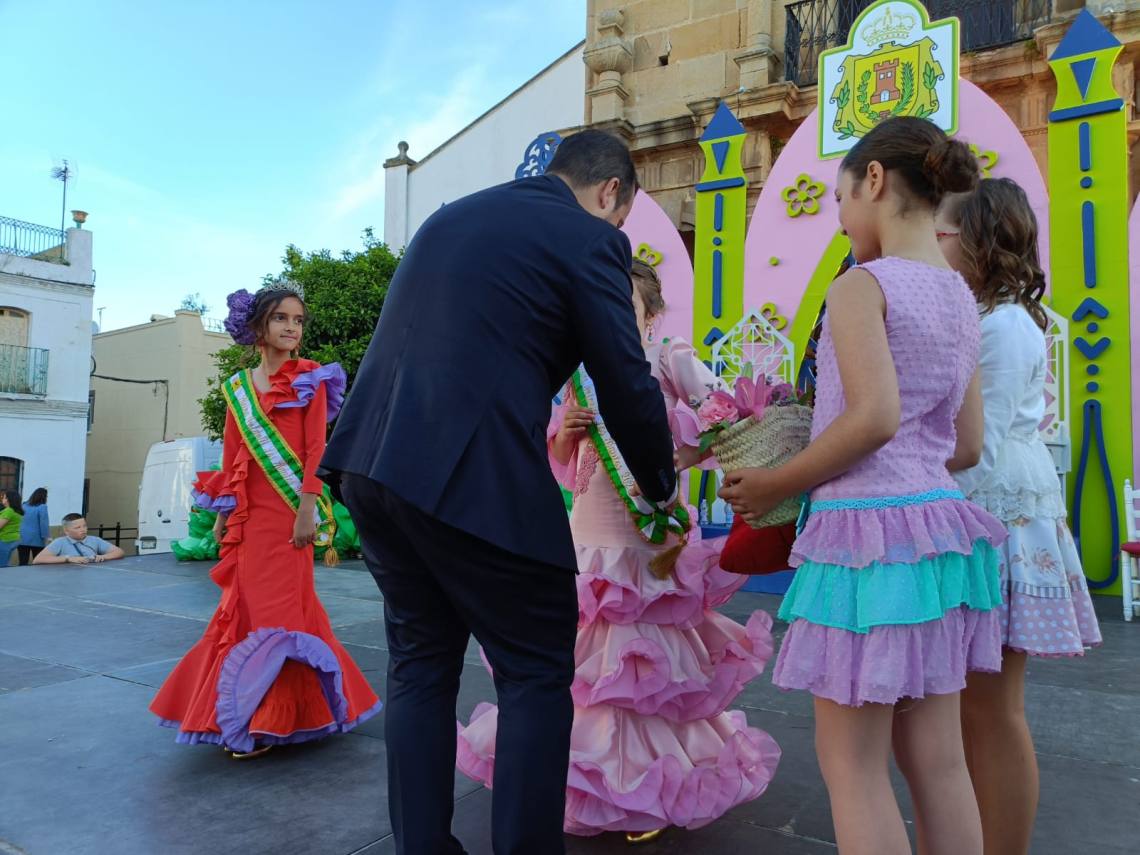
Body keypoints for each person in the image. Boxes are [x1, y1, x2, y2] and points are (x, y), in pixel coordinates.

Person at [321, 130, 678, 855]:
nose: (617, 229)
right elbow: (625, 379)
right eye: (621, 216)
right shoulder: (590, 240)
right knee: (536, 672)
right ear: (611, 191)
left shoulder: (453, 217)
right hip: (471, 473)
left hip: (370, 465)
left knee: (419, 666)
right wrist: (661, 486)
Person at [719, 116, 1007, 855]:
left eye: (841, 199)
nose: (842, 219)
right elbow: (967, 444)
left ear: (873, 180)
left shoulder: (860, 286)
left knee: (852, 765)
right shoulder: (959, 297)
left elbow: (874, 417)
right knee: (939, 761)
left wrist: (775, 482)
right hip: (939, 535)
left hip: (863, 539)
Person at [456, 260, 781, 843]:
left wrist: (684, 452)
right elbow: (562, 463)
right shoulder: (576, 370)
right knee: (582, 658)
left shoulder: (668, 357)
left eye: (624, 305)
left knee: (646, 666)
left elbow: (723, 417)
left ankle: (647, 786)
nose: (608, 315)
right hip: (589, 528)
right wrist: (566, 434)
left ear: (651, 315)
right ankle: (579, 777)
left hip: (648, 533)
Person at [935, 178, 1102, 855]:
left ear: (977, 239)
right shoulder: (996, 317)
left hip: (995, 515)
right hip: (992, 510)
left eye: (944, 233)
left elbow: (982, 441)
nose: (934, 244)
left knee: (992, 707)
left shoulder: (1003, 325)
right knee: (976, 707)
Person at [149, 278, 380, 759]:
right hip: (250, 517)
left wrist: (306, 509)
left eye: (298, 320)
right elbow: (235, 454)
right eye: (281, 318)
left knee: (282, 614)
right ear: (258, 327)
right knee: (246, 613)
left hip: (289, 515)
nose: (292, 327)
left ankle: (265, 720)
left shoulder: (310, 379)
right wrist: (224, 514)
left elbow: (315, 449)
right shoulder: (237, 389)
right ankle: (243, 713)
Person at [34, 513, 125, 565]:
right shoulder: (60, 542)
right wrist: (68, 559)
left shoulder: (95, 540)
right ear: (66, 531)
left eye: (84, 526)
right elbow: (38, 560)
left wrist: (103, 557)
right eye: (77, 528)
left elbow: (119, 552)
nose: (83, 530)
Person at [18, 487, 50, 565]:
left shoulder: (24, 505)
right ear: (43, 497)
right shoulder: (42, 507)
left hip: (22, 538)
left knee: (22, 562)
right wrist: (46, 537)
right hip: (37, 539)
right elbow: (44, 524)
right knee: (38, 562)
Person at [0, 490, 23, 567]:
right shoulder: (16, 510)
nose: (2, 498)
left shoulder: (9, 511)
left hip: (5, 539)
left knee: (2, 565)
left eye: (4, 497)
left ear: (8, 499)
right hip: (12, 539)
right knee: (5, 562)